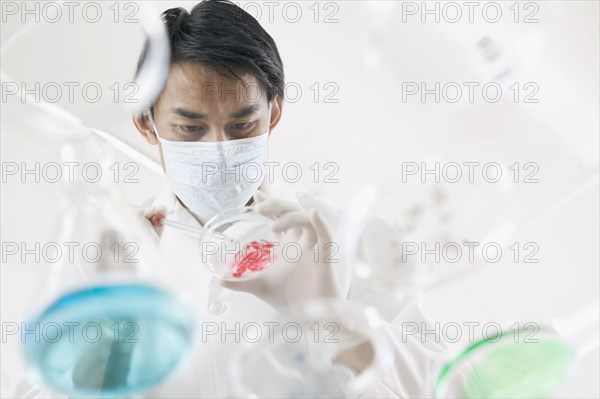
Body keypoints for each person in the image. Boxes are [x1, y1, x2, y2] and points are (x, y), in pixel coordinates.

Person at [13, 1, 447, 397]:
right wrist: (111, 346)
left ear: (273, 113)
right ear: (145, 124)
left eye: (241, 126)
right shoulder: (106, 256)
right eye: (190, 128)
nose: (219, 149)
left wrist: (332, 322)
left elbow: (440, 386)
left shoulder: (351, 236)